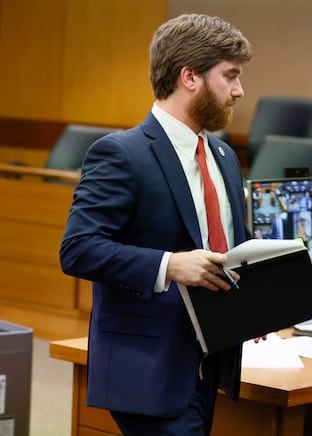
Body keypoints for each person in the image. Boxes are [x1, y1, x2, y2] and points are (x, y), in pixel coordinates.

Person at [60, 14, 252, 435]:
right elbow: (78, 249)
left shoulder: (223, 157)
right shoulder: (120, 153)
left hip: (211, 362)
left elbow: (232, 246)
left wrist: (263, 289)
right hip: (146, 367)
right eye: (231, 77)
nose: (239, 91)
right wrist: (169, 264)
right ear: (190, 77)